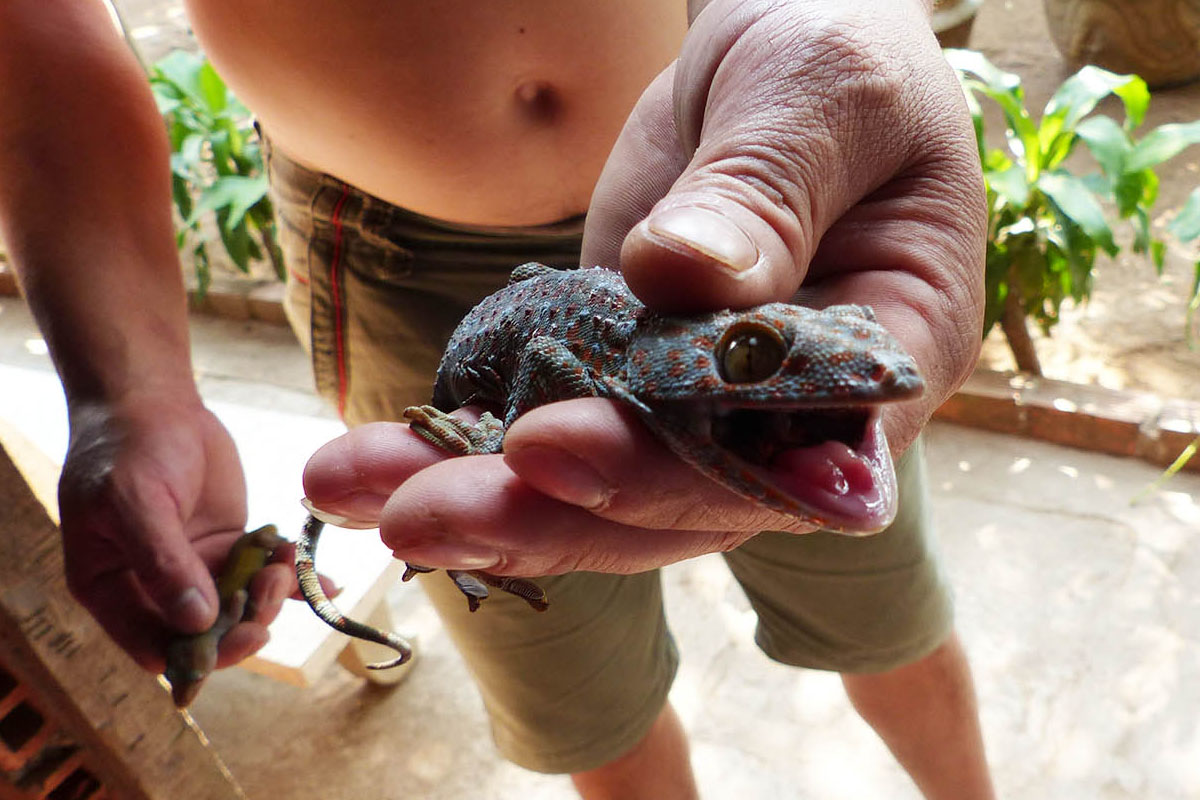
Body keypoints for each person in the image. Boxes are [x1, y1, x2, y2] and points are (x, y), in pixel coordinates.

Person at [0, 0, 993, 797]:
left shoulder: (775, 363)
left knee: (893, 619)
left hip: (724, 164)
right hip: (396, 248)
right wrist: (128, 394)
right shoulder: (654, 370)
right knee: (588, 702)